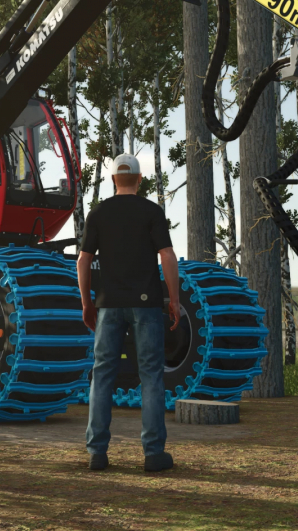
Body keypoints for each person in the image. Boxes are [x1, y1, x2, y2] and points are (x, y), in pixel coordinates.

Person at [77, 153, 181, 473]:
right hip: (146, 304)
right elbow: (167, 254)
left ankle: (97, 452)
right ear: (138, 179)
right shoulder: (152, 211)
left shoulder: (98, 213)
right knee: (150, 376)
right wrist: (173, 299)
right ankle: (152, 454)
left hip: (108, 304)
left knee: (102, 375)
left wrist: (87, 302)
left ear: (112, 180)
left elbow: (83, 261)